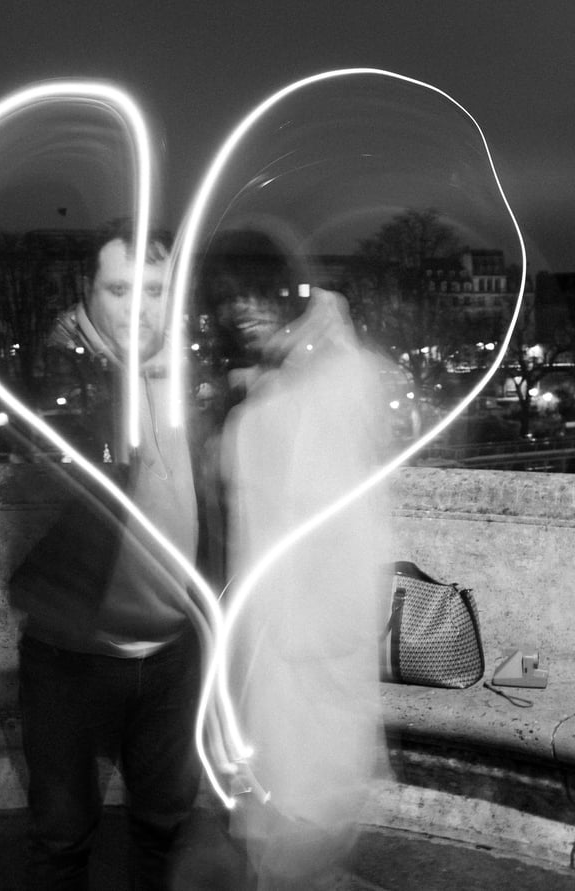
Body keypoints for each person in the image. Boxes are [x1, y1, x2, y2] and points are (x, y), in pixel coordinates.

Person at [9, 220, 201, 890]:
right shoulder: (62, 379)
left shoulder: (184, 375)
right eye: (120, 290)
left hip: (174, 656)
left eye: (156, 290)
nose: (140, 308)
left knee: (165, 831)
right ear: (87, 294)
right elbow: (56, 452)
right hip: (72, 657)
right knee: (62, 839)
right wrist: (95, 372)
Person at [197, 229, 389, 889]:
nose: (240, 308)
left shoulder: (335, 374)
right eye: (226, 297)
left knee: (297, 831)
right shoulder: (257, 390)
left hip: (313, 654)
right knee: (276, 837)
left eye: (255, 290)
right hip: (265, 650)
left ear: (288, 290)